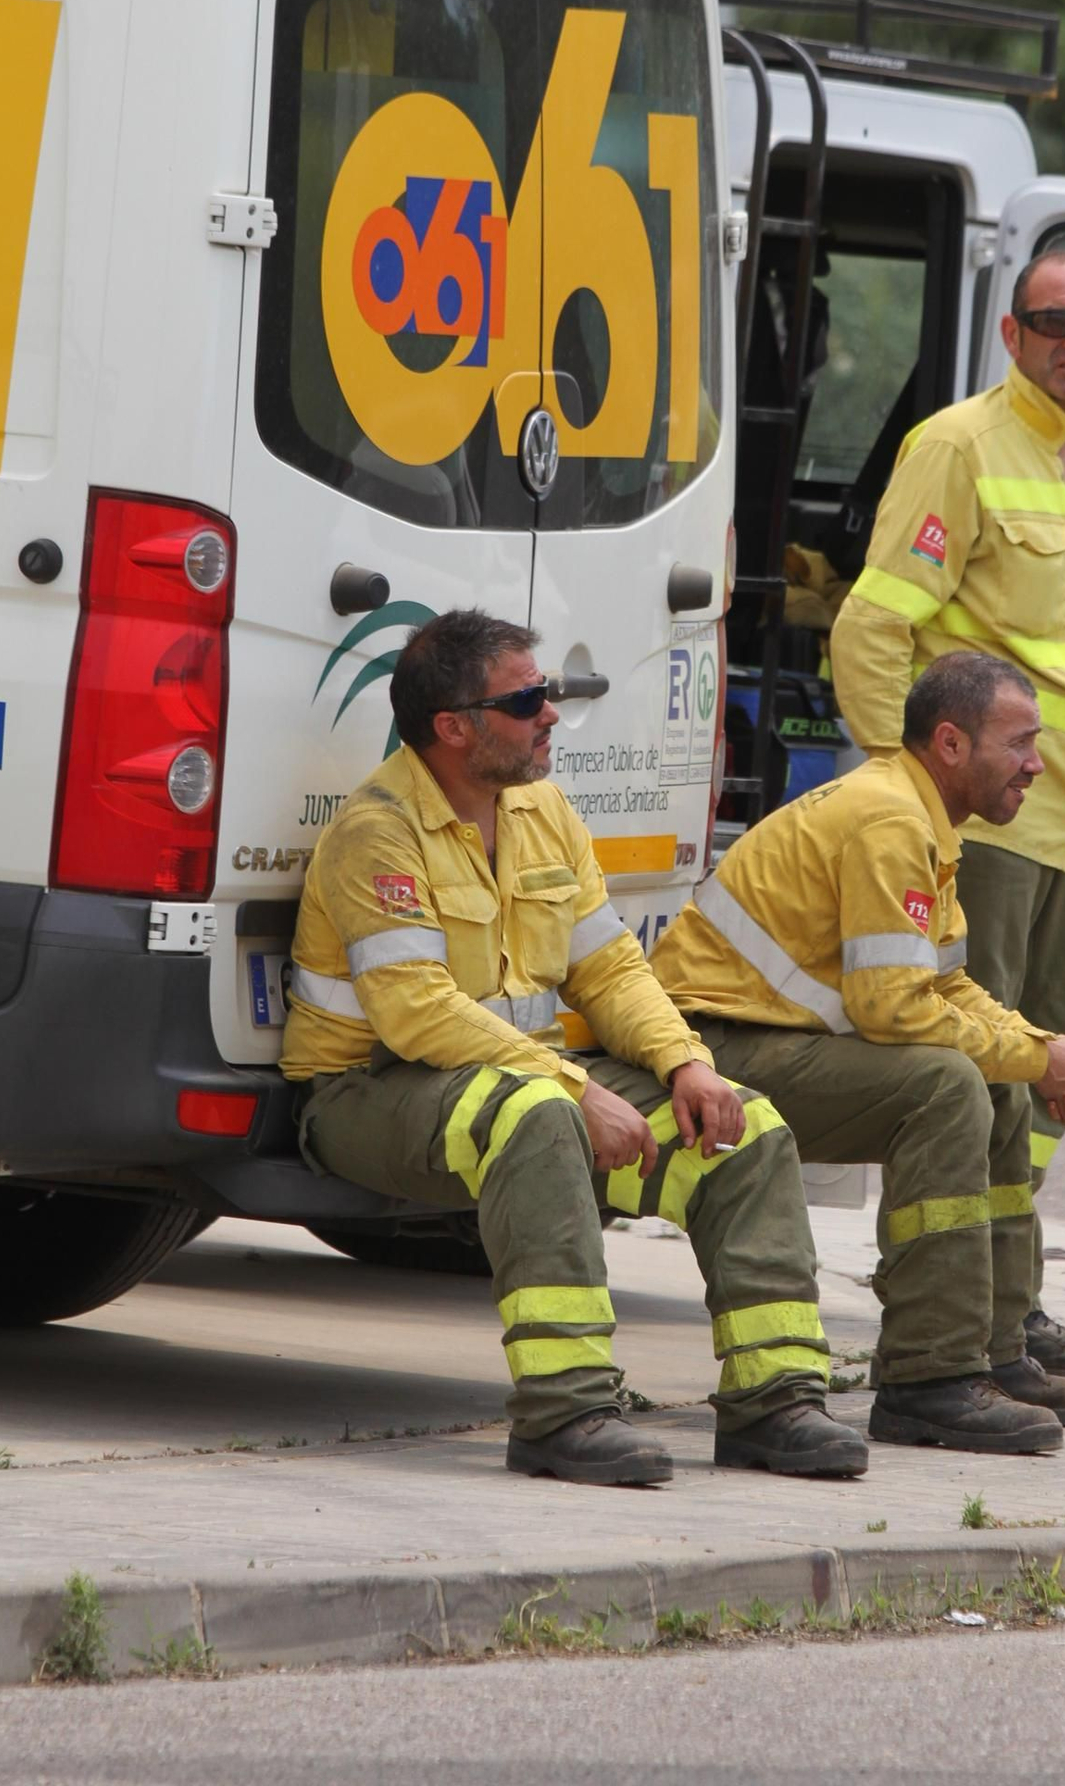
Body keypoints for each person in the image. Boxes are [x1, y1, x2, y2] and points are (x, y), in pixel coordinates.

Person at [280, 606, 867, 1489]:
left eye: (545, 691)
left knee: (744, 1131)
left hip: (523, 1081)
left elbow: (611, 969)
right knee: (539, 1117)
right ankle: (566, 1413)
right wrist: (574, 1086)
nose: (552, 710)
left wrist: (685, 1065)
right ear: (453, 728)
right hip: (373, 1093)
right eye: (527, 698)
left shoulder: (543, 810)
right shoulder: (377, 832)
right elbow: (418, 1016)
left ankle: (774, 1401)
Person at [651, 650, 1065, 1455]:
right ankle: (927, 1381)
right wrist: (1040, 1061)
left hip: (768, 1040)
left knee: (994, 1082)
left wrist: (1041, 1052)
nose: (1036, 765)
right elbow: (894, 1007)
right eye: (1018, 744)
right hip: (716, 1053)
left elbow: (944, 985)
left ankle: (995, 1351)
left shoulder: (917, 815)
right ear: (949, 743)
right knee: (946, 1087)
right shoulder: (891, 821)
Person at [829, 251, 1065, 1391]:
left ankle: (1010, 1299)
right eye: (1054, 321)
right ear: (1011, 332)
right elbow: (870, 628)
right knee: (988, 1072)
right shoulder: (958, 446)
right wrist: (898, 796)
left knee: (1054, 1070)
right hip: (984, 825)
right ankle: (969, 1333)